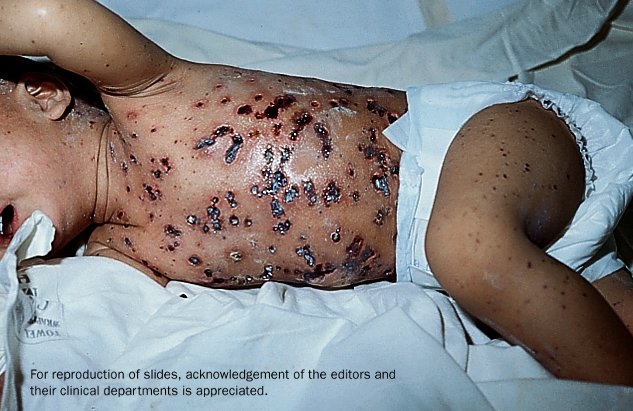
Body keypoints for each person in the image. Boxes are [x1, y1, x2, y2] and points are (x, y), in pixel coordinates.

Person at [0, 0, 632, 387]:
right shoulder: (121, 258)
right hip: (521, 263)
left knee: (468, 249)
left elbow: (50, 16)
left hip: (479, 144)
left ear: (43, 93)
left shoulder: (146, 96)